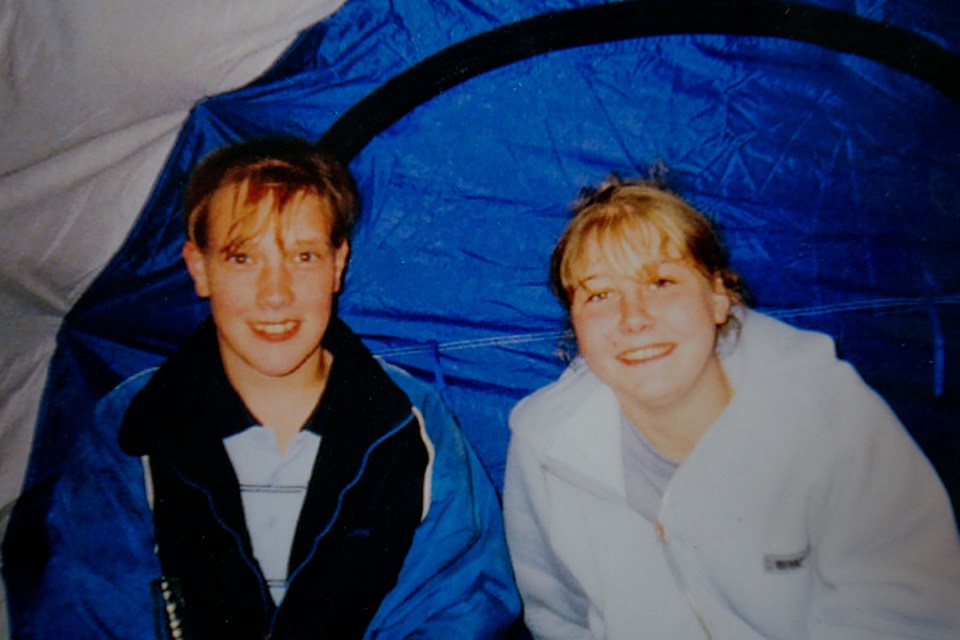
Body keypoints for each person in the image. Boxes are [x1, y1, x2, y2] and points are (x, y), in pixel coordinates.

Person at [4, 136, 520, 639]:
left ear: (338, 265)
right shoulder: (133, 427)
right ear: (199, 268)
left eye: (303, 257)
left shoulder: (411, 422)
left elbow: (459, 604)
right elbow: (89, 610)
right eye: (243, 258)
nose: (276, 295)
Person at [503, 176, 960, 639]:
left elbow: (909, 612)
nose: (634, 318)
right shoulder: (545, 447)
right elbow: (559, 619)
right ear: (574, 323)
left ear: (718, 296)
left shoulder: (827, 416)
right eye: (600, 294)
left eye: (661, 282)